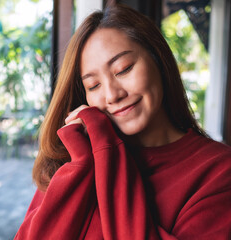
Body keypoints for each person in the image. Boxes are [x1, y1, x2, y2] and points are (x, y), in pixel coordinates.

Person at [15, 4, 231, 240]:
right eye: (93, 85)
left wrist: (106, 150)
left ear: (159, 60)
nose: (112, 95)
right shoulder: (71, 158)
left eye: (124, 69)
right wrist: (84, 162)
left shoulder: (219, 171)